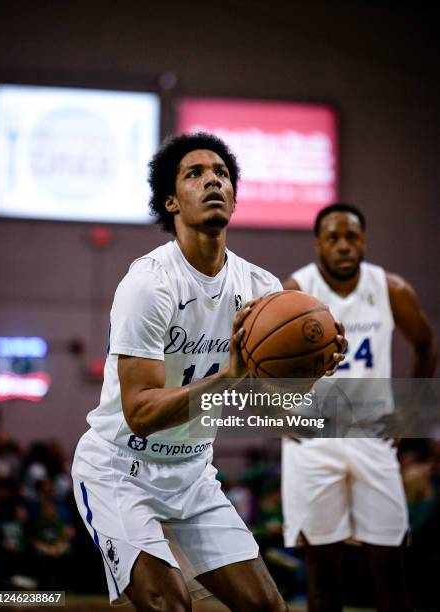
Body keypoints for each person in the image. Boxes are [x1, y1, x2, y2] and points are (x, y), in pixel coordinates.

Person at [72, 133, 346, 611]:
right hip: (119, 468)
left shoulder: (262, 289)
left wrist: (310, 372)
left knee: (268, 608)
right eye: (194, 174)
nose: (212, 180)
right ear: (172, 201)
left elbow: (270, 406)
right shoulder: (149, 283)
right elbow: (139, 412)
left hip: (193, 470)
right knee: (170, 604)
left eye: (221, 173)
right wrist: (229, 376)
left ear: (235, 197)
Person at [281, 202, 438, 612]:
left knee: (388, 564)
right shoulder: (296, 290)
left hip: (373, 436)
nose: (344, 245)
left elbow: (425, 344)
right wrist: (281, 412)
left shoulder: (391, 289)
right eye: (333, 237)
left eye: (352, 236)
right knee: (323, 567)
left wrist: (408, 412)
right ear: (318, 243)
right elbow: (264, 360)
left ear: (364, 240)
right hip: (314, 440)